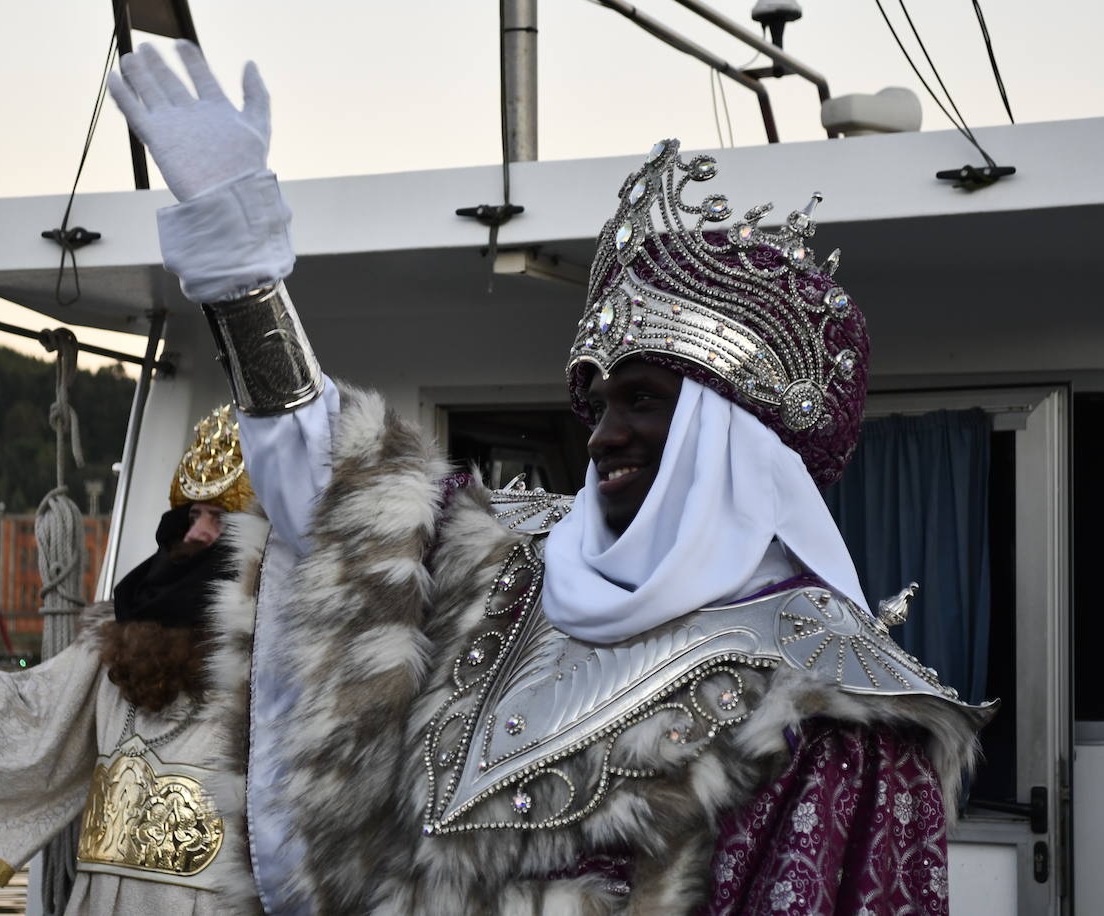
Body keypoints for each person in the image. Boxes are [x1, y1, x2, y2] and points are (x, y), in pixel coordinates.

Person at [110, 42, 994, 915]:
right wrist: (243, 275)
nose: (605, 434)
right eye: (599, 402)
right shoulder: (523, 557)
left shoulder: (832, 702)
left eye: (643, 401)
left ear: (725, 436)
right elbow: (331, 492)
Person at [0, 406, 252, 914]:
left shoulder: (282, 651)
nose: (196, 532)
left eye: (219, 518)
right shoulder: (119, 640)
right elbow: (33, 717)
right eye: (193, 515)